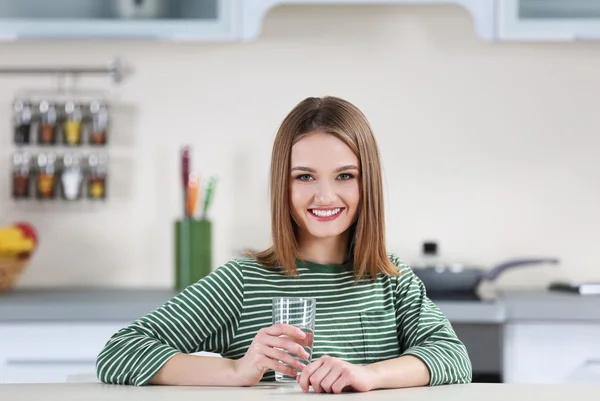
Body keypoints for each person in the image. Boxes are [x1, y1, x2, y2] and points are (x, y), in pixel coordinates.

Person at [95, 96, 472, 393]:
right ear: (283, 185)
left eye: (344, 175)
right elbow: (121, 351)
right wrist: (235, 371)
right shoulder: (243, 281)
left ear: (366, 184)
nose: (325, 196)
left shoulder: (391, 279)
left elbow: (453, 357)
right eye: (305, 177)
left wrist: (368, 376)